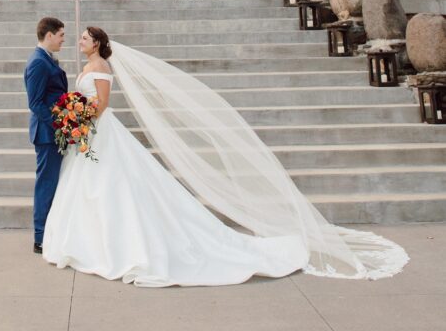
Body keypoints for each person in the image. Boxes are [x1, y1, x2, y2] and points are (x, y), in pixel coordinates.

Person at [40, 26, 409, 287]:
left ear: (98, 43)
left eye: (85, 38)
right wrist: (76, 118)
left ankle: (111, 244)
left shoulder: (100, 68)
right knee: (93, 186)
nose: (80, 42)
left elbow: (102, 104)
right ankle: (90, 239)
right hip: (90, 134)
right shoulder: (90, 67)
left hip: (100, 132)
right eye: (81, 38)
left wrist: (82, 120)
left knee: (111, 185)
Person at [23, 16, 68, 254]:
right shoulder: (39, 62)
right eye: (61, 35)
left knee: (52, 183)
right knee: (46, 184)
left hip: (52, 132)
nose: (63, 40)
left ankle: (51, 231)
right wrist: (61, 124)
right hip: (47, 133)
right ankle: (40, 237)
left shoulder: (45, 59)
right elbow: (36, 103)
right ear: (48, 35)